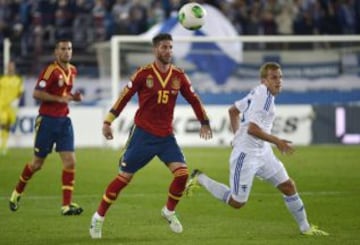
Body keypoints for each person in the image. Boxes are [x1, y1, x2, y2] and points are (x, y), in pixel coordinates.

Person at [89, 33, 213, 239]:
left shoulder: (179, 76)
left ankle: (169, 211)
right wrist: (107, 121)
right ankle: (98, 217)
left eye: (170, 47)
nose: (168, 51)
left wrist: (204, 121)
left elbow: (194, 99)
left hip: (165, 136)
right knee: (123, 178)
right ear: (155, 50)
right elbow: (123, 97)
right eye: (164, 47)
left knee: (182, 174)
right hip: (143, 135)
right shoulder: (143, 74)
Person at [185, 62, 329, 236]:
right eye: (274, 78)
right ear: (264, 81)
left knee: (288, 186)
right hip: (246, 155)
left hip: (263, 152)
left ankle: (306, 228)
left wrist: (237, 135)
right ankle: (200, 178)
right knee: (237, 202)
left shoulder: (258, 91)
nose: (279, 81)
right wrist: (277, 141)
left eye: (280, 77)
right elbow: (253, 129)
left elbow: (232, 111)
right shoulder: (265, 98)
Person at [9, 39, 84, 216]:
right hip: (47, 121)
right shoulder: (50, 71)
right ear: (56, 53)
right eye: (63, 49)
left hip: (64, 120)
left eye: (69, 49)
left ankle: (66, 205)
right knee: (37, 164)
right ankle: (17, 192)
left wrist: (73, 98)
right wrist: (60, 99)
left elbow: (64, 94)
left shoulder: (73, 70)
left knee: (70, 161)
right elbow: (36, 93)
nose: (67, 52)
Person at [0, 61, 24, 155]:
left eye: (11, 66)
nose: (10, 68)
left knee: (8, 125)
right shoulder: (2, 79)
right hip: (2, 105)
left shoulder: (18, 80)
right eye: (9, 66)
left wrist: (16, 101)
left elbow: (21, 92)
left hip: (12, 107)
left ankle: (4, 145)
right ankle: (4, 146)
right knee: (3, 121)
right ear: (7, 68)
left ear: (14, 68)